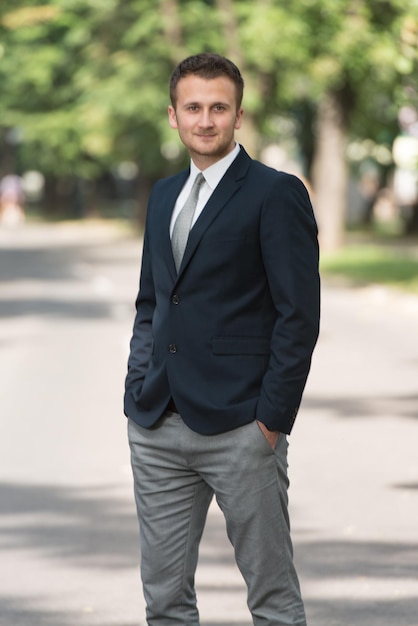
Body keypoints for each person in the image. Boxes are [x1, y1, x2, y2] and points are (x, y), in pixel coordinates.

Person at [125, 52, 320, 626]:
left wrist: (272, 418)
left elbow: (298, 314)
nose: (205, 120)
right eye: (193, 108)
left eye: (218, 108)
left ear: (238, 116)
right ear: (173, 115)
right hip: (157, 423)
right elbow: (151, 302)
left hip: (241, 427)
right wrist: (137, 386)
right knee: (165, 604)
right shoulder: (163, 196)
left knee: (273, 602)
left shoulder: (274, 193)